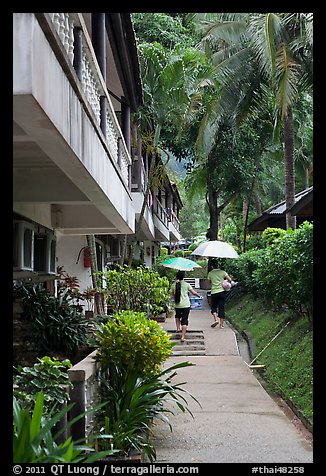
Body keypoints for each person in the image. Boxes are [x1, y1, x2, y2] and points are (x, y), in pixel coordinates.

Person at [170, 270, 203, 342]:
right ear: (184, 277)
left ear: (176, 277)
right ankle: (182, 337)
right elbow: (193, 292)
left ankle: (178, 328)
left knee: (177, 316)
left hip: (177, 305)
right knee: (184, 320)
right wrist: (199, 295)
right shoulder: (187, 284)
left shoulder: (173, 285)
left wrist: (175, 297)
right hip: (186, 305)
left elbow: (171, 293)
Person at [207, 259, 232, 329]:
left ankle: (216, 320)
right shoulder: (223, 272)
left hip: (214, 292)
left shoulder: (210, 273)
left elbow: (209, 283)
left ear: (212, 266)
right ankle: (221, 325)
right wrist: (224, 281)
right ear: (218, 265)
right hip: (222, 292)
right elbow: (230, 280)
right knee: (221, 308)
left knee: (213, 307)